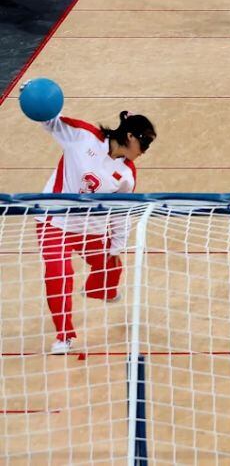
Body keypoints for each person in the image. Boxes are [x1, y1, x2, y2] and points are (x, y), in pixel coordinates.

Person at [27, 100, 156, 355]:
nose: (146, 150)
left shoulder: (127, 175)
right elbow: (51, 121)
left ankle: (102, 290)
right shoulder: (84, 136)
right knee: (58, 274)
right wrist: (36, 98)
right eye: (145, 143)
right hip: (55, 222)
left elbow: (121, 212)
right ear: (129, 136)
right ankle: (64, 335)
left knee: (110, 265)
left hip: (92, 229)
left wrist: (117, 246)